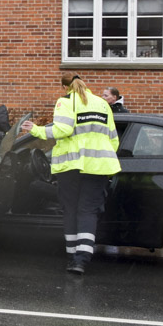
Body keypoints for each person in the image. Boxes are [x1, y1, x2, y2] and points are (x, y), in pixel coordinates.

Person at [22, 73, 120, 275]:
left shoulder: (66, 102)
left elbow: (63, 130)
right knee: (88, 211)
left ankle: (72, 257)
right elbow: (113, 139)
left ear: (65, 87)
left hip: (71, 166)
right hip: (99, 166)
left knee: (71, 209)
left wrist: (37, 130)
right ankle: (82, 259)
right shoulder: (103, 104)